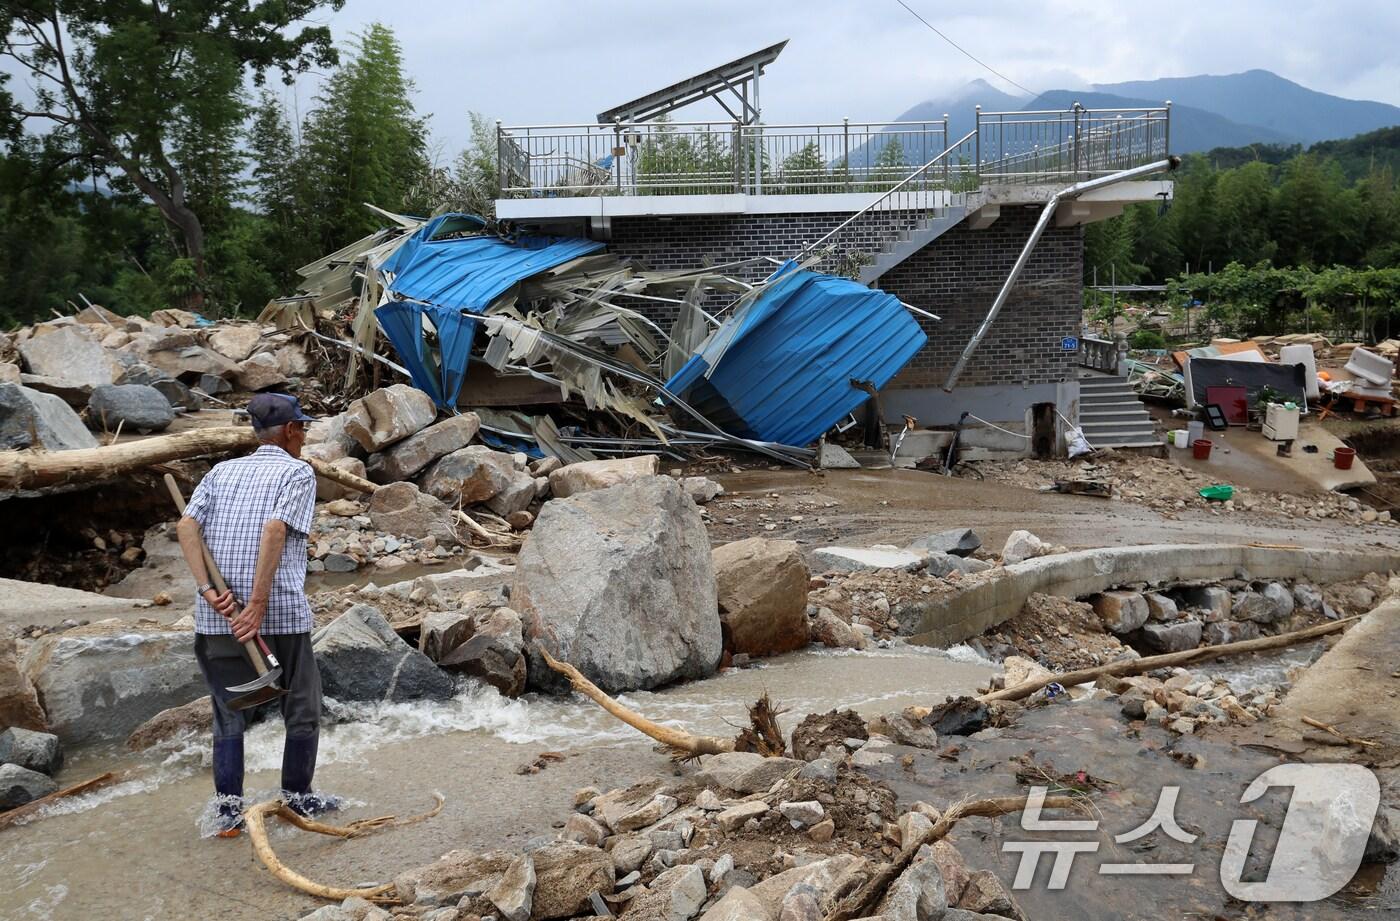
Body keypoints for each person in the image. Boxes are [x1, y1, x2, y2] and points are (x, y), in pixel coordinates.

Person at [176, 392, 331, 838]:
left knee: (228, 714)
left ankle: (227, 814)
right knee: (301, 708)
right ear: (288, 431)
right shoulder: (298, 471)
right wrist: (258, 604)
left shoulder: (221, 472)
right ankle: (297, 801)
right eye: (302, 427)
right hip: (277, 610)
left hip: (218, 616)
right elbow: (275, 529)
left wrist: (207, 590)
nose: (304, 436)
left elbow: (187, 526)